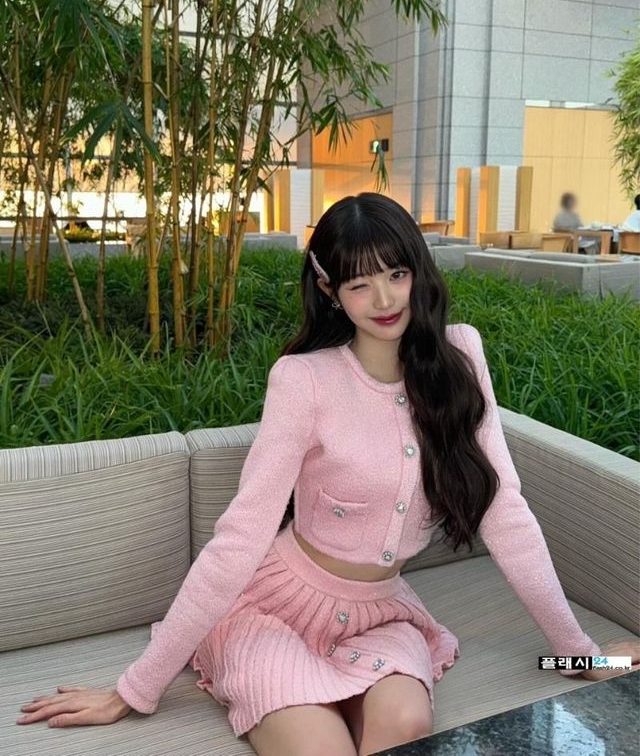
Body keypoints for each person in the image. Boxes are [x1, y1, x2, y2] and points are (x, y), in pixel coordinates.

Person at [15, 194, 640, 753]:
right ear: (328, 288)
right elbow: (241, 537)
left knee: (406, 726)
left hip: (382, 614)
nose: (385, 300)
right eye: (360, 284)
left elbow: (506, 513)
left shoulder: (461, 358)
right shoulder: (304, 381)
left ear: (419, 271)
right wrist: (134, 689)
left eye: (397, 274)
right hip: (273, 612)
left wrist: (579, 655)